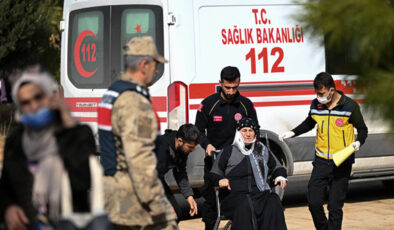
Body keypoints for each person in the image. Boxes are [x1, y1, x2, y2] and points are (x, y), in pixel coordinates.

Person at [98, 36, 177, 230]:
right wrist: (156, 202)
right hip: (135, 198)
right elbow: (139, 157)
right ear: (144, 65)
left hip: (114, 193)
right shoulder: (135, 102)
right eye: (155, 65)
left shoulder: (113, 93)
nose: (156, 70)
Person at [0, 72, 95, 229]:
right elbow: (5, 186)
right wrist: (8, 208)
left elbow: (83, 179)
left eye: (38, 98)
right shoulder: (16, 140)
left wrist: (67, 122)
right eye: (26, 102)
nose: (34, 106)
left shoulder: (78, 134)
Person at [279, 72, 368, 230]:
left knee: (334, 207)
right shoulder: (316, 105)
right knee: (313, 203)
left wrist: (358, 142)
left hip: (342, 162)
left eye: (321, 93)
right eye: (317, 93)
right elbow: (309, 122)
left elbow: (362, 129)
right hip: (321, 162)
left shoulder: (350, 106)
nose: (318, 96)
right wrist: (292, 132)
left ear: (332, 90)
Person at [195, 66, 258, 230]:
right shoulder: (208, 104)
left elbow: (255, 130)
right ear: (220, 83)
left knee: (242, 203)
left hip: (239, 164)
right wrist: (207, 144)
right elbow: (198, 131)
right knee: (211, 205)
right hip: (214, 163)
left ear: (239, 83)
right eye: (227, 87)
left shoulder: (246, 105)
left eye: (234, 87)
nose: (231, 92)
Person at [209, 117, 287, 230]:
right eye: (244, 130)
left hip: (260, 194)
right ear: (238, 133)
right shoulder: (228, 151)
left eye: (251, 131)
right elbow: (213, 174)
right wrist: (220, 180)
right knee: (245, 204)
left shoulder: (262, 149)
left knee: (273, 201)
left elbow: (277, 167)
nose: (248, 134)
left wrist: (280, 176)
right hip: (235, 196)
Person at [156, 124, 201, 220]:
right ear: (180, 141)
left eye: (194, 147)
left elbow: (180, 172)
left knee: (176, 214)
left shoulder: (182, 150)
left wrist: (189, 196)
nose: (192, 150)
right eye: (190, 147)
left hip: (157, 180)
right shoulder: (161, 149)